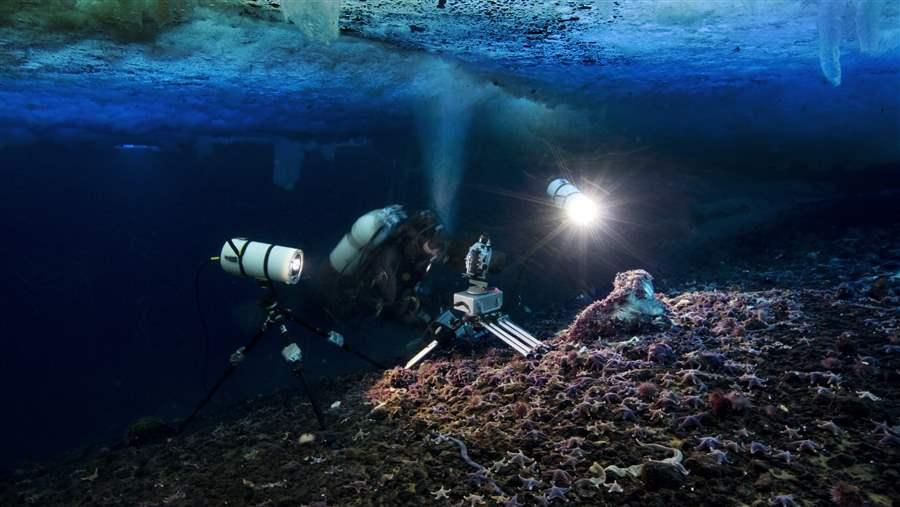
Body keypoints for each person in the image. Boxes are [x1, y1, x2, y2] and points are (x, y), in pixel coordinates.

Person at [308, 205, 449, 327]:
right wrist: (412, 313)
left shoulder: (415, 257)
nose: (436, 252)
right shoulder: (391, 256)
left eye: (439, 247)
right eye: (434, 245)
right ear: (420, 239)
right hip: (333, 305)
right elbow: (391, 299)